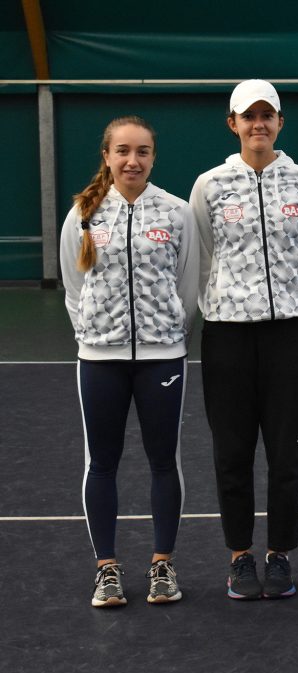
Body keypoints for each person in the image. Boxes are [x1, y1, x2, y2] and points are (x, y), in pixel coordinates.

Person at [190, 79, 298, 600]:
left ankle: (280, 553)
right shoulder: (210, 185)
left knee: (287, 453)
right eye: (249, 116)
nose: (259, 124)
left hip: (291, 334)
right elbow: (200, 258)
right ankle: (240, 555)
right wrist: (222, 306)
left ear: (280, 123)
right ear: (233, 124)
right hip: (227, 338)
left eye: (268, 115)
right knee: (233, 450)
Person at [60, 116, 198, 607]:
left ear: (153, 157)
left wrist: (167, 333)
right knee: (102, 462)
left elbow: (188, 282)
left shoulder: (177, 212)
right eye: (122, 151)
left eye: (141, 151)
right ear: (107, 156)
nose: (132, 160)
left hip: (163, 357)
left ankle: (163, 565)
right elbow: (74, 289)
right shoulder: (83, 212)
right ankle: (107, 569)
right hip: (99, 360)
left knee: (165, 462)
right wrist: (96, 335)